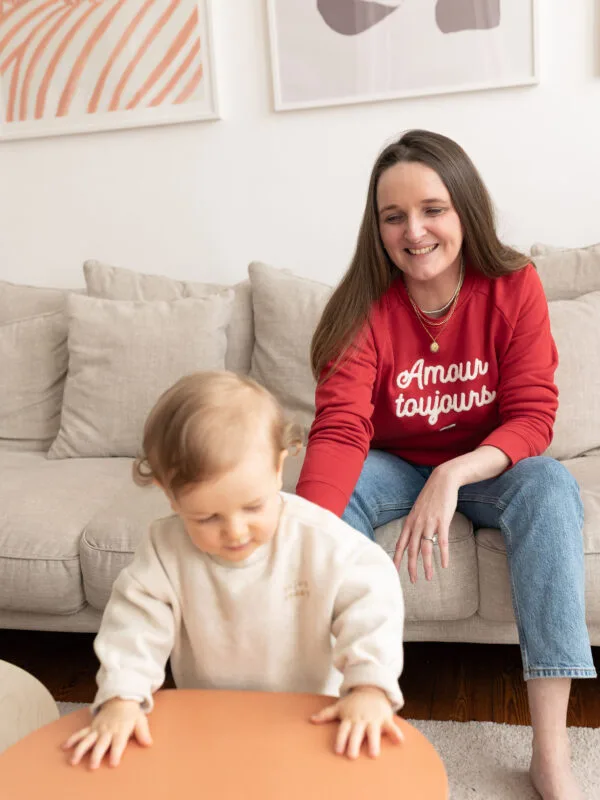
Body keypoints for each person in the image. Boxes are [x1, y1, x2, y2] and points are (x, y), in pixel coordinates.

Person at [295, 129, 595, 800]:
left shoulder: (513, 284)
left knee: (549, 486)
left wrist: (453, 473)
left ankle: (550, 753)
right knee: (314, 511)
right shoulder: (361, 307)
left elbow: (531, 416)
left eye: (432, 209)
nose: (415, 230)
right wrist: (303, 535)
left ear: (464, 209)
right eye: (394, 216)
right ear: (377, 229)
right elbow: (342, 429)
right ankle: (328, 712)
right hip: (392, 462)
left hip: (491, 469)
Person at [62, 371, 405, 769]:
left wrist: (368, 686)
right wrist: (122, 697)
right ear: (168, 493)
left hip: (310, 718)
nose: (235, 531)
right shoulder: (164, 549)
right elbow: (135, 626)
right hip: (211, 717)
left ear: (279, 466)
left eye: (254, 506)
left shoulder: (318, 538)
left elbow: (372, 595)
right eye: (207, 517)